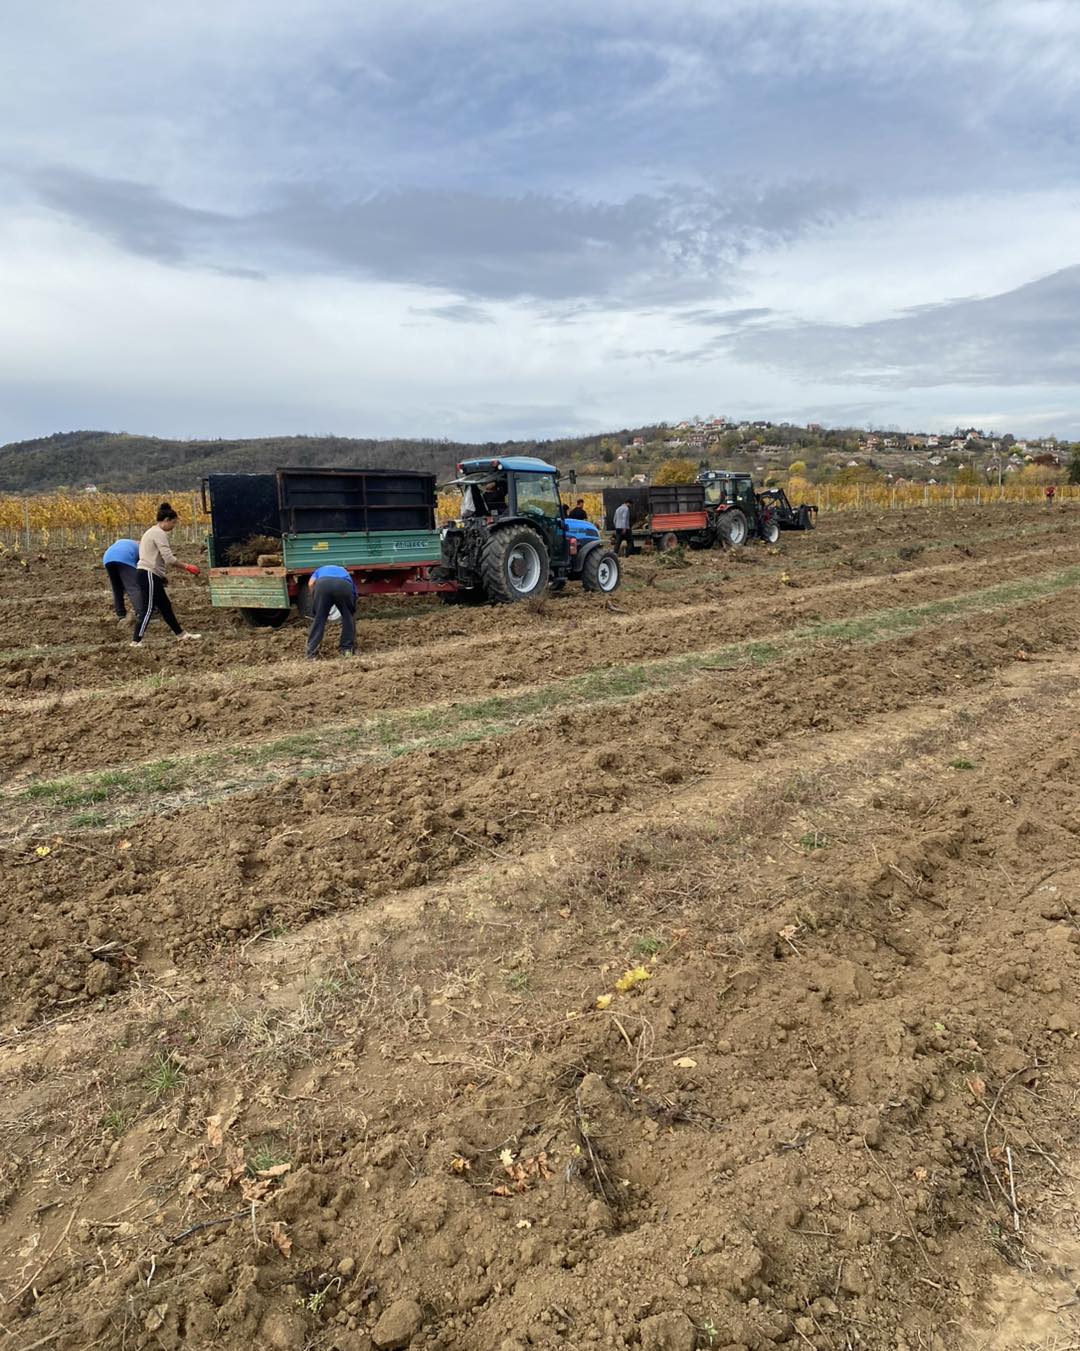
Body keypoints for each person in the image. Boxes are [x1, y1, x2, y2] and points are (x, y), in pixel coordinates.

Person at [131, 502, 202, 647]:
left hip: (149, 574)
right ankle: (136, 641)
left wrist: (161, 575)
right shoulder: (159, 533)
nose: (174, 526)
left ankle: (181, 635)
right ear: (167, 520)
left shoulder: (150, 531)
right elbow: (169, 559)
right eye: (174, 523)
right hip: (148, 574)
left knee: (165, 606)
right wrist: (187, 566)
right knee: (148, 608)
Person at [306, 565, 357, 660]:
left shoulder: (319, 570)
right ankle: (346, 651)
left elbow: (310, 584)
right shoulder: (344, 572)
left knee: (319, 619)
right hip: (344, 585)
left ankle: (311, 654)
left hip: (322, 585)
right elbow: (354, 593)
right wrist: (350, 610)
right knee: (348, 617)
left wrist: (315, 598)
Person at [103, 537, 142, 624]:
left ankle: (120, 614)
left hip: (107, 558)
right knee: (133, 587)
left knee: (117, 588)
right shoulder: (141, 547)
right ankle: (141, 614)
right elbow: (142, 565)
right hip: (124, 557)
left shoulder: (124, 542)